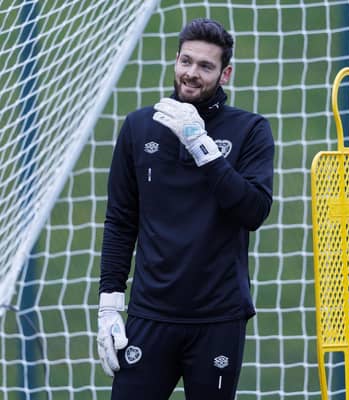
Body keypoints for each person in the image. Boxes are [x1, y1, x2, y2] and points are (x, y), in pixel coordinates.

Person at [96, 18, 274, 400]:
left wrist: (201, 146)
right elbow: (120, 221)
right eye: (186, 61)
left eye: (206, 66)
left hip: (218, 318)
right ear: (175, 60)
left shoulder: (251, 130)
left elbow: (254, 211)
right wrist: (109, 306)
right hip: (149, 316)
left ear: (225, 73)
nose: (192, 74)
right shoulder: (138, 126)